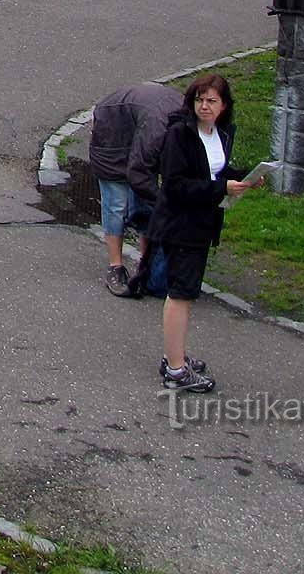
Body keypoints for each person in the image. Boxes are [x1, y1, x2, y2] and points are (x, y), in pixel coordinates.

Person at [145, 73, 265, 393]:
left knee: (187, 293)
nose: (204, 107)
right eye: (200, 100)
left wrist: (244, 178)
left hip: (202, 225)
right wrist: (220, 188)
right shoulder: (180, 135)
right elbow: (175, 183)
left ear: (224, 106)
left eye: (212, 101)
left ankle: (176, 354)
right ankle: (175, 369)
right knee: (180, 294)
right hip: (179, 224)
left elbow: (216, 171)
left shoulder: (220, 134)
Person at [87, 81, 177, 297]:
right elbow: (139, 173)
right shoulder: (157, 129)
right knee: (117, 203)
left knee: (146, 203)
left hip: (139, 125)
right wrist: (163, 204)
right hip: (112, 133)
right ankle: (115, 266)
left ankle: (146, 264)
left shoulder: (181, 128)